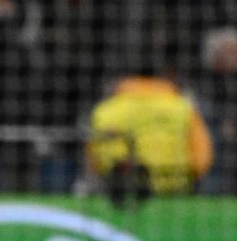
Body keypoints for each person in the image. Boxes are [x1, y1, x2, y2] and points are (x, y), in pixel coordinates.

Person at [85, 68, 214, 208]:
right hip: (176, 196)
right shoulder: (183, 108)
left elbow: (94, 160)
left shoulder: (105, 111)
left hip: (121, 197)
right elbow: (202, 160)